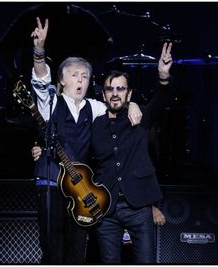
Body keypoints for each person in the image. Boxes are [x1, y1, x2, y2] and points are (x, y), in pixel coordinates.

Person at [29, 17, 141, 264]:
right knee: (53, 250)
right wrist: (39, 52)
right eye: (74, 75)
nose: (80, 79)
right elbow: (40, 82)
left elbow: (116, 105)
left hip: (81, 188)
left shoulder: (93, 107)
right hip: (51, 182)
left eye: (84, 76)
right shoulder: (52, 103)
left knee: (77, 251)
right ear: (62, 80)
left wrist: (131, 103)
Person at [90, 42, 173, 263]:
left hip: (138, 206)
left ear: (128, 93)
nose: (115, 93)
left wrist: (163, 76)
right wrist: (42, 147)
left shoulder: (139, 117)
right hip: (105, 208)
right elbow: (76, 150)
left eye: (121, 88)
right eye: (110, 89)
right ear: (103, 94)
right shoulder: (95, 125)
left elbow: (160, 102)